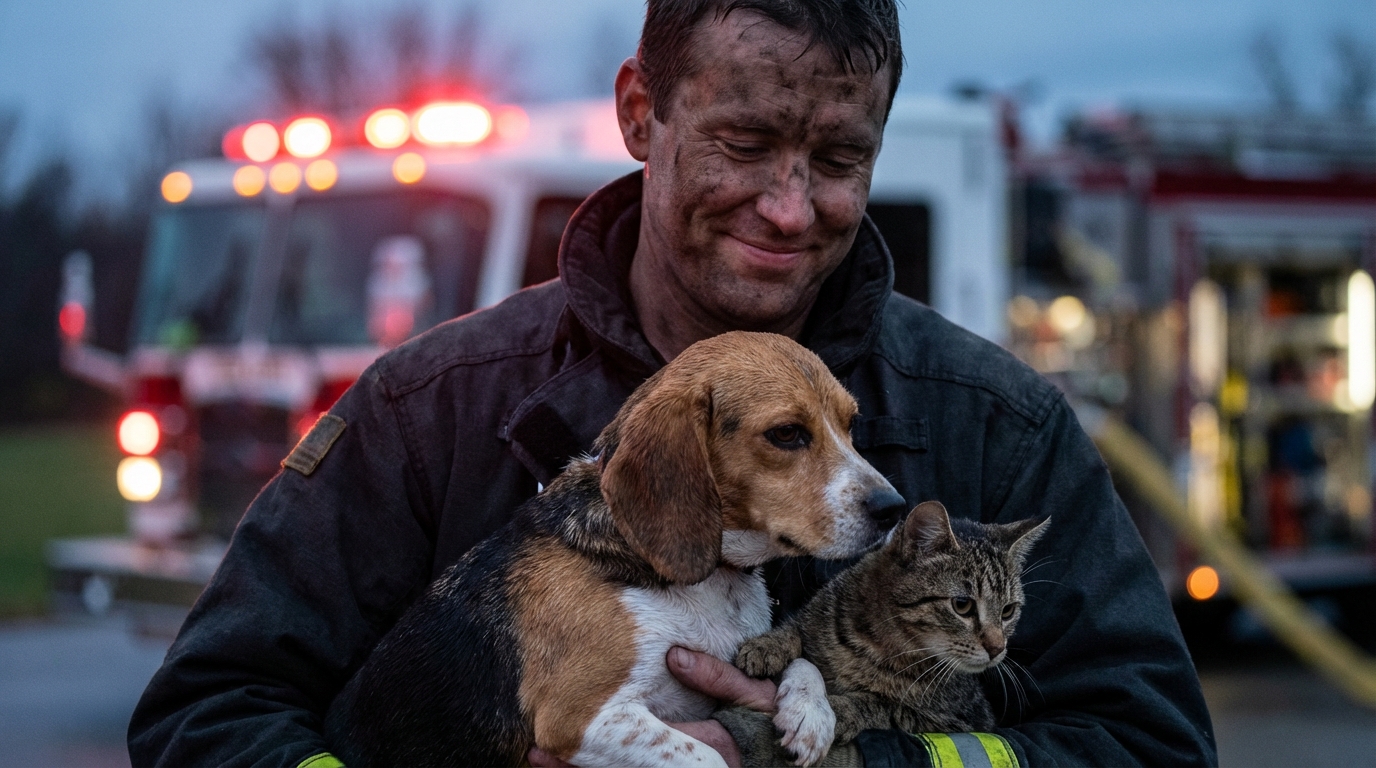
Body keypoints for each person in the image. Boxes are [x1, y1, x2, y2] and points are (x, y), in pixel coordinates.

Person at [129, 1, 1218, 766]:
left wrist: (875, 765)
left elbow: (1145, 741)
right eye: (742, 142)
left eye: (838, 161)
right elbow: (208, 716)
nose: (789, 208)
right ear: (639, 114)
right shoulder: (432, 410)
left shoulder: (997, 425)